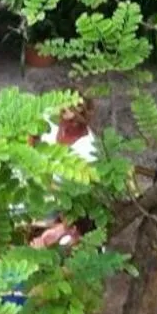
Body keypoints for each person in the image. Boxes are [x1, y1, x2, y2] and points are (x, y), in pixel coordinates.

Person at [29, 96, 97, 248]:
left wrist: (50, 187)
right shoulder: (51, 119)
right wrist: (29, 155)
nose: (65, 122)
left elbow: (80, 194)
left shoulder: (88, 149)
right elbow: (31, 132)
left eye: (73, 119)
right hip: (34, 178)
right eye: (62, 113)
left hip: (59, 198)